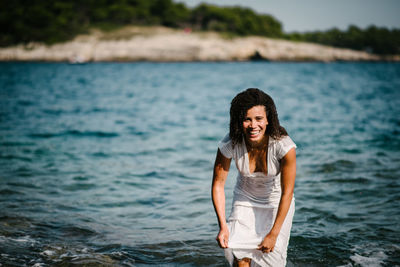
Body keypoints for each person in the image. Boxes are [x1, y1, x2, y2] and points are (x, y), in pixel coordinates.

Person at [211, 88, 297, 267]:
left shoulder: (284, 146)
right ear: (238, 121)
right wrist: (223, 226)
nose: (253, 125)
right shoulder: (230, 143)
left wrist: (273, 234)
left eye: (258, 119)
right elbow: (218, 185)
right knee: (240, 258)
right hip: (245, 200)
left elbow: (287, 193)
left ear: (268, 119)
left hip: (276, 203)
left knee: (271, 261)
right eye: (247, 119)